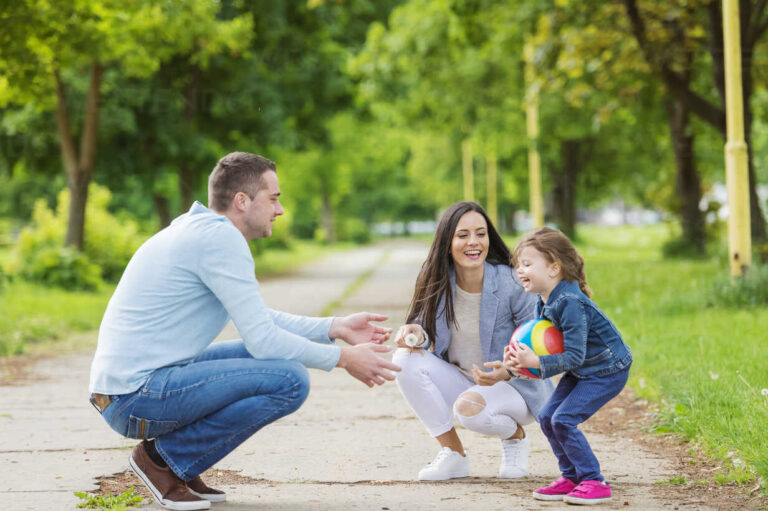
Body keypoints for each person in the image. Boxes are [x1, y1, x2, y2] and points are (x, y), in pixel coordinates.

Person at [88, 152, 400, 511]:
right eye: (273, 198)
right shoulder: (221, 239)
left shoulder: (202, 231)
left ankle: (179, 465)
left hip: (128, 390)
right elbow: (264, 339)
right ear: (242, 201)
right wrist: (343, 359)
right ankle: (163, 461)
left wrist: (335, 327)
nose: (279, 210)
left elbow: (258, 320)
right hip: (134, 397)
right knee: (290, 379)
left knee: (262, 361)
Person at [392, 202, 554, 481]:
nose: (473, 242)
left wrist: (508, 369)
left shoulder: (511, 282)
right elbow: (424, 327)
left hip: (514, 385)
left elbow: (541, 342)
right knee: (403, 360)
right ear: (447, 242)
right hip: (464, 380)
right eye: (463, 235)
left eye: (481, 233)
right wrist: (415, 334)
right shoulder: (438, 281)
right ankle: (454, 455)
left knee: (469, 409)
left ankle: (515, 437)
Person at [504, 226, 633, 505]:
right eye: (518, 265)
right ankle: (571, 477)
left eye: (527, 264)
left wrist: (535, 361)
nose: (520, 271)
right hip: (583, 370)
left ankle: (594, 480)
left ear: (554, 268)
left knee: (564, 419)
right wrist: (519, 364)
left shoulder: (570, 303)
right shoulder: (543, 300)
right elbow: (546, 345)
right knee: (549, 416)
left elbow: (572, 356)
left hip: (607, 370)